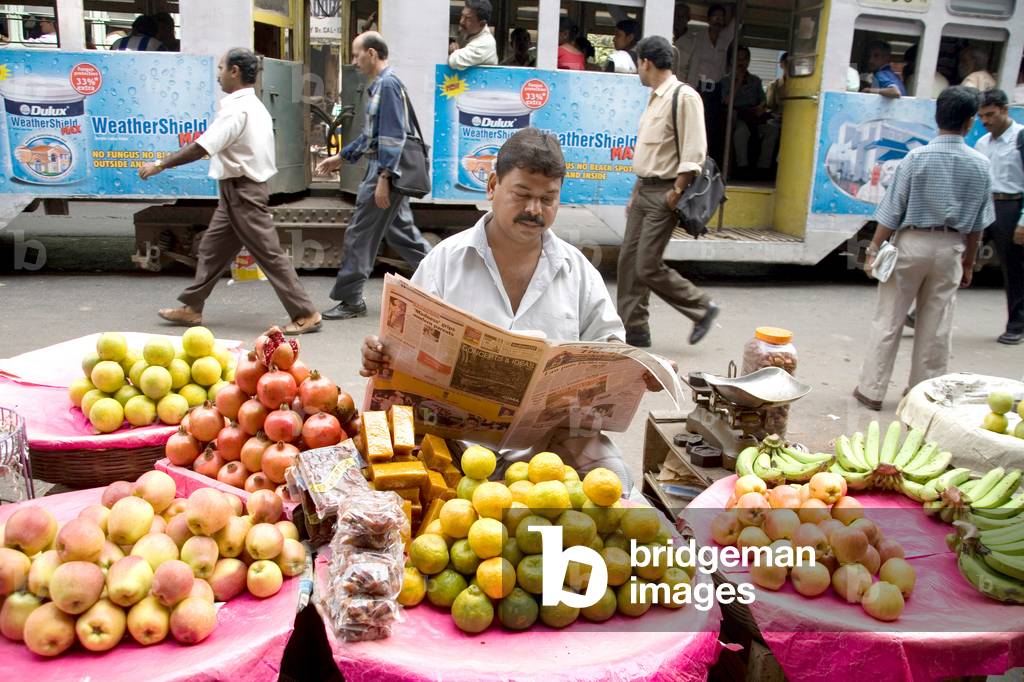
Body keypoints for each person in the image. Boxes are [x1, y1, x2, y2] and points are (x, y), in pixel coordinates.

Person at [361, 128, 654, 491]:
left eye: (548, 199)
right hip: (453, 445)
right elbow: (399, 342)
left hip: (547, 450)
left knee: (617, 483)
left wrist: (636, 371)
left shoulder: (577, 270)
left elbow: (610, 348)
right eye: (523, 195)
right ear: (493, 185)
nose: (535, 210)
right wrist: (379, 353)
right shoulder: (445, 262)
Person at [138, 48, 321, 335]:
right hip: (235, 191)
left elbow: (201, 147)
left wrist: (161, 164)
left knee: (269, 254)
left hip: (243, 192)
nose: (218, 74)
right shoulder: (252, 105)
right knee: (211, 249)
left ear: (235, 71)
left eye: (222, 67)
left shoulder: (238, 109)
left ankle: (305, 312)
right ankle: (192, 308)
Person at [852, 86, 994, 411]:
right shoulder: (980, 165)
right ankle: (923, 395)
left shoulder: (916, 157)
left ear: (937, 116)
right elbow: (977, 225)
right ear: (970, 122)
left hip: (911, 243)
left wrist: (874, 248)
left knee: (889, 318)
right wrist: (969, 263)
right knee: (936, 326)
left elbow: (892, 210)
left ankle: (871, 391)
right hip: (951, 248)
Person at [316, 32, 432, 321]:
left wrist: (384, 178)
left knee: (359, 235)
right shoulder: (383, 84)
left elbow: (392, 137)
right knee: (401, 233)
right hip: (384, 169)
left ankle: (351, 299)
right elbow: (372, 136)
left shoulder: (388, 85)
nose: (354, 61)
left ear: (371, 53)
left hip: (384, 171)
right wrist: (341, 157)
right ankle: (445, 278)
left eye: (356, 55)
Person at [618, 36, 719, 349]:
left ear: (647, 62)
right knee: (628, 262)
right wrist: (636, 191)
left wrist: (676, 191)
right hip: (645, 190)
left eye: (638, 64)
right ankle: (633, 330)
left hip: (665, 191)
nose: (638, 71)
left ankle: (702, 306)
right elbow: (649, 154)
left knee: (647, 264)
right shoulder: (655, 98)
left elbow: (694, 150)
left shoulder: (683, 96)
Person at [975, 89, 1024, 345]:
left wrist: (1023, 220)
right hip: (986, 205)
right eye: (982, 116)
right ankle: (920, 314)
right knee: (961, 258)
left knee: (1013, 268)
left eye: (990, 114)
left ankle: (1016, 324)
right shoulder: (982, 143)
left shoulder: (1021, 137)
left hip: (1011, 207)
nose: (986, 121)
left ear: (1005, 110)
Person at [686, 4, 736, 165]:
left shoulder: (725, 38)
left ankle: (708, 164)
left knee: (712, 127)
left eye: (721, 17)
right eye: (715, 16)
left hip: (716, 90)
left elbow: (736, 21)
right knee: (695, 125)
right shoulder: (697, 37)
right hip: (698, 87)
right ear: (708, 19)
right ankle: (693, 162)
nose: (718, 20)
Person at [724, 46, 775, 176]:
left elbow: (764, 101)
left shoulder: (756, 80)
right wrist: (738, 81)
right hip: (737, 117)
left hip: (755, 116)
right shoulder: (726, 80)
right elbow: (727, 101)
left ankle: (763, 168)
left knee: (771, 130)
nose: (742, 62)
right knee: (742, 132)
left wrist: (760, 107)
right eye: (738, 59)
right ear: (732, 61)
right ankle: (742, 167)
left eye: (745, 59)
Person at [448, 0, 497, 70]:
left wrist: (453, 51)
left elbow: (454, 61)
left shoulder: (485, 43)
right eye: (462, 15)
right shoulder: (468, 33)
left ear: (482, 24)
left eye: (468, 18)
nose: (461, 21)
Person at [672, 4, 697, 83]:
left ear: (688, 19)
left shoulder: (693, 41)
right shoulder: (665, 34)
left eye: (683, 16)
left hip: (680, 84)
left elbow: (693, 70)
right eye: (677, 16)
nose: (679, 19)